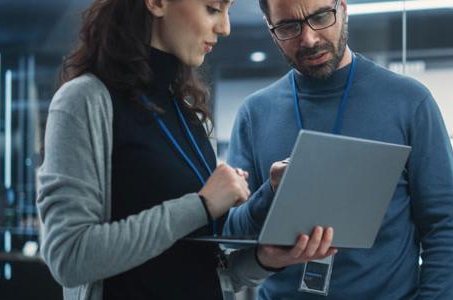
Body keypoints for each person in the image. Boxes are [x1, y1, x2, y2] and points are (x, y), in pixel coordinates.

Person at [36, 0, 336, 299]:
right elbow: (69, 257)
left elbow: (204, 269)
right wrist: (202, 205)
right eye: (212, 8)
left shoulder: (187, 113)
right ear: (156, 3)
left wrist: (265, 259)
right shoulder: (83, 100)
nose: (225, 27)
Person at [222, 0, 453, 298]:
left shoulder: (410, 102)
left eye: (321, 16)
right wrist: (271, 193)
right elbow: (233, 232)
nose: (308, 39)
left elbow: (443, 228)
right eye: (288, 27)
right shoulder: (254, 114)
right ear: (270, 29)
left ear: (343, 8)